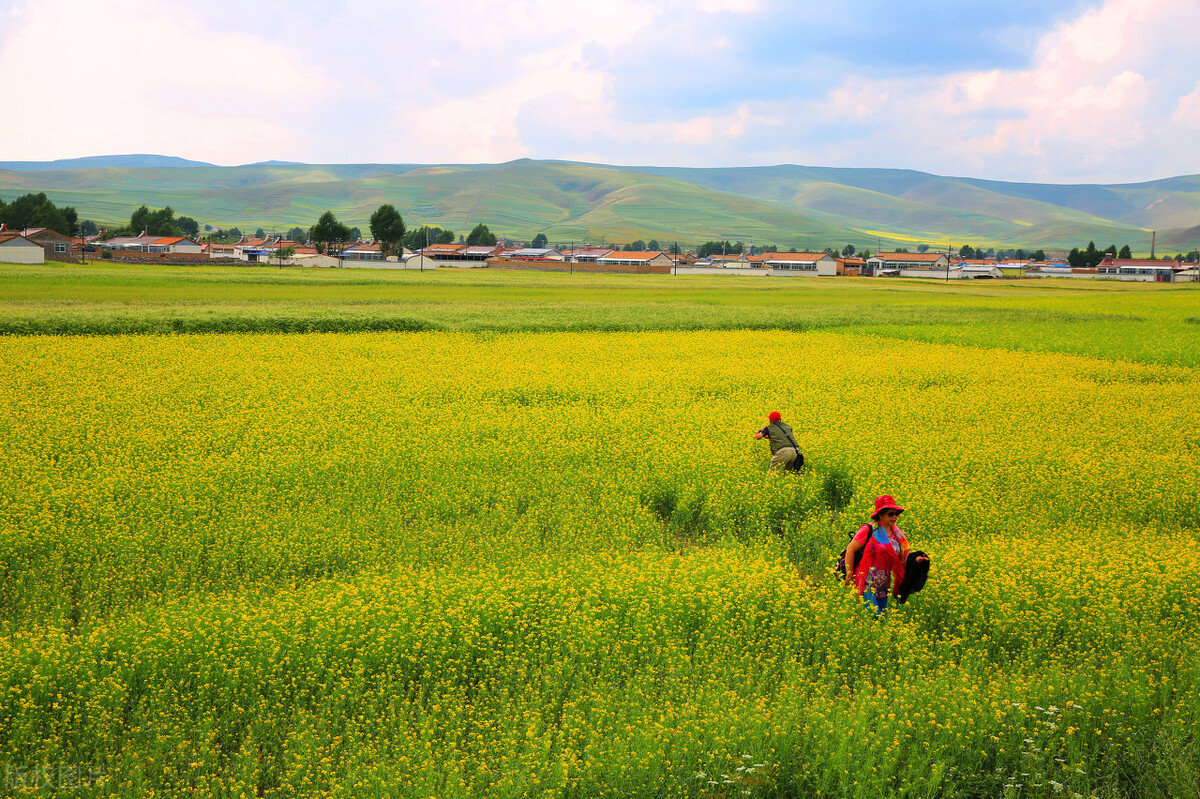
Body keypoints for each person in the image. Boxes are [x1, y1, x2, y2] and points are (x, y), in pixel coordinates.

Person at [843, 495, 929, 615]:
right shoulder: (869, 530)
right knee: (875, 617)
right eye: (890, 514)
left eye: (896, 514)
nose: (894, 517)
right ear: (880, 515)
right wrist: (849, 574)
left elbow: (902, 557)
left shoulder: (897, 534)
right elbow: (850, 549)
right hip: (866, 582)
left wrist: (916, 560)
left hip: (883, 585)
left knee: (881, 620)